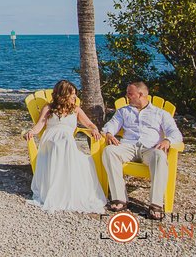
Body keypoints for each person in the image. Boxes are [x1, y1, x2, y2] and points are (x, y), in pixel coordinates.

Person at [101, 81, 183, 221]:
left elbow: (176, 133)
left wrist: (167, 140)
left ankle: (155, 203)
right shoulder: (124, 111)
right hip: (129, 147)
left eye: (130, 93)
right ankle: (119, 199)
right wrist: (109, 133)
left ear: (141, 94)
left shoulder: (160, 114)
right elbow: (112, 125)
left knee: (159, 155)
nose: (127, 96)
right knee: (109, 151)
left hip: (150, 148)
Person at [24, 80, 107, 213]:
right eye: (72, 94)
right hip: (51, 139)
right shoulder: (49, 108)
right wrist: (32, 132)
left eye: (75, 94)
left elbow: (90, 124)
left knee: (67, 142)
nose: (74, 97)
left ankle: (68, 191)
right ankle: (56, 191)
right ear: (63, 94)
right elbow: (40, 124)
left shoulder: (76, 109)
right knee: (62, 142)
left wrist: (94, 129)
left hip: (67, 140)